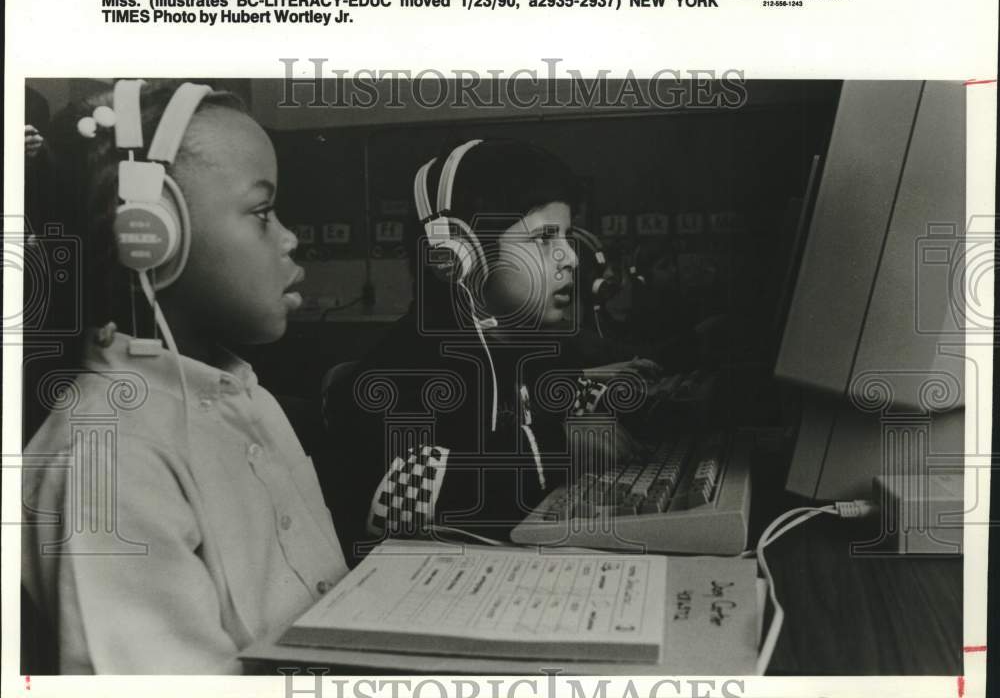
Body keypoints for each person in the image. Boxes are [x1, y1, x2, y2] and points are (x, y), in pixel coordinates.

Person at [21, 80, 348, 674]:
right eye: (262, 212)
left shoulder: (248, 396)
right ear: (153, 235)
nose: (290, 237)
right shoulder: (108, 454)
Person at [318, 139, 647, 566]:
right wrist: (557, 445)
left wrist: (633, 400)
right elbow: (395, 499)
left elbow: (564, 394)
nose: (568, 257)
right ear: (459, 256)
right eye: (543, 238)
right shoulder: (410, 366)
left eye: (566, 235)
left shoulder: (516, 347)